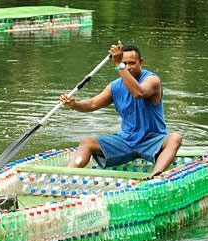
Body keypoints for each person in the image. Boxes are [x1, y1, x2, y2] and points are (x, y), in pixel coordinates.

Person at [59, 41, 182, 177]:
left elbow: (139, 92)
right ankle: (67, 175)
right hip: (126, 141)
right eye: (125, 63)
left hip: (152, 140)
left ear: (141, 62)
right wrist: (73, 104)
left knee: (175, 138)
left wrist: (119, 65)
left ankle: (155, 176)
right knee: (87, 142)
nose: (128, 67)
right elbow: (92, 104)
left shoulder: (153, 81)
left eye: (132, 63)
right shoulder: (115, 86)